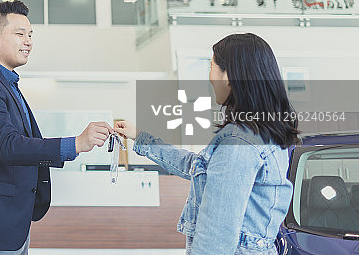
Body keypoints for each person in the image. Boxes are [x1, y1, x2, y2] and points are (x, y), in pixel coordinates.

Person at [0, 0, 113, 255]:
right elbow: (8, 146)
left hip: (10, 225)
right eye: (19, 34)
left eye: (30, 35)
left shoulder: (4, 83)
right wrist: (77, 144)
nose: (28, 41)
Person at [115, 33, 299, 255]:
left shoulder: (238, 143)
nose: (210, 76)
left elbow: (215, 238)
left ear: (229, 76)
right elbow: (197, 165)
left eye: (211, 67)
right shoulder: (264, 131)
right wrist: (141, 137)